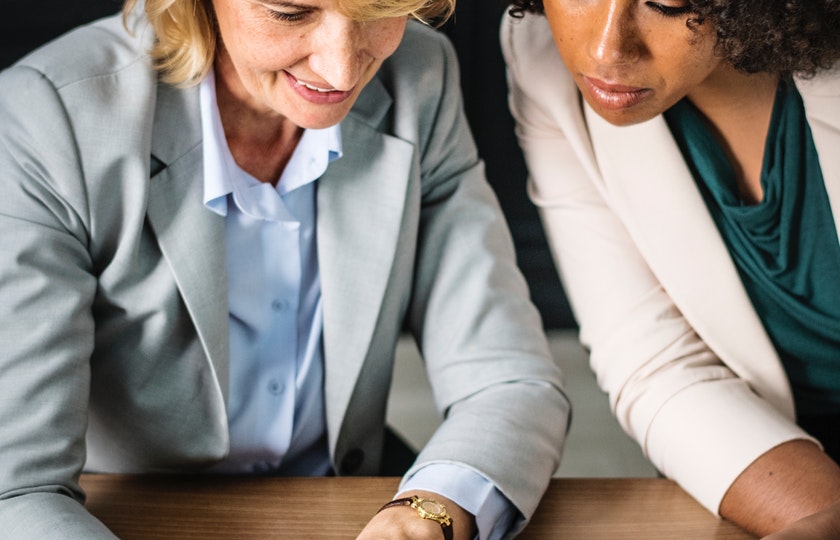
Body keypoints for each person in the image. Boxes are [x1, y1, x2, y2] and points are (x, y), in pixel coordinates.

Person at [0, 0, 571, 538]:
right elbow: (17, 489)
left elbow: (507, 378)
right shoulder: (47, 119)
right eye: (290, 10)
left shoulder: (419, 76)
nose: (341, 66)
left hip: (346, 510)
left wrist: (428, 512)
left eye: (377, 8)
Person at [501, 0, 840, 538]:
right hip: (764, 474)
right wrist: (815, 519)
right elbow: (652, 362)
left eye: (668, 3)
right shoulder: (541, 54)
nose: (605, 49)